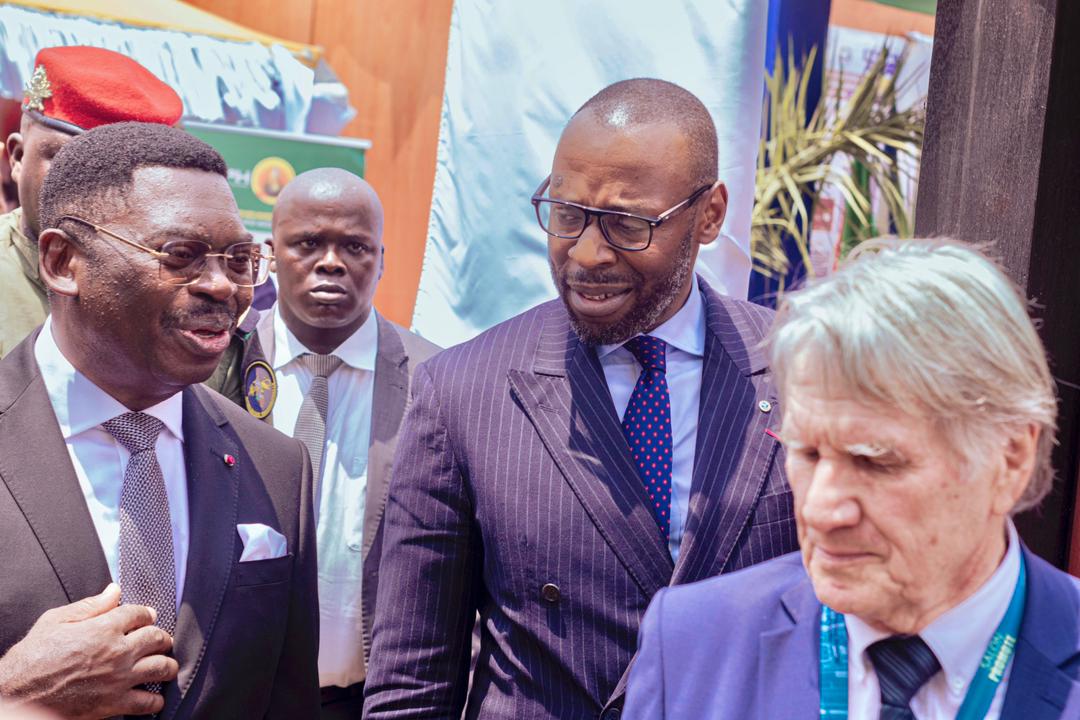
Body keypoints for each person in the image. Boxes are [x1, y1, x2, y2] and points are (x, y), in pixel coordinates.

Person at [364, 78, 798, 719]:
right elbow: (411, 685)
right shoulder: (462, 392)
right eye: (567, 215)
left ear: (709, 215)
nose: (588, 255)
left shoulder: (799, 372)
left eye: (627, 224)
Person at [622, 239, 1080, 719]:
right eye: (807, 453)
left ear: (1010, 458)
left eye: (874, 462)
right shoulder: (694, 645)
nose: (821, 510)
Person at [0, 122, 320, 718]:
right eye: (180, 255)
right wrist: (14, 696)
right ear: (63, 261)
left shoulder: (277, 467)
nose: (222, 286)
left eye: (239, 259)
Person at [234, 168, 440, 718]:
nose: (330, 262)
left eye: (354, 246)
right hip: (235, 695)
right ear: (271, 254)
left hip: (369, 701)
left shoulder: (438, 382)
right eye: (308, 243)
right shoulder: (217, 366)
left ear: (381, 260)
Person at [0, 45, 183, 359]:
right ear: (17, 157)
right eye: (64, 159)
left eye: (117, 172)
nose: (86, 184)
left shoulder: (181, 289)